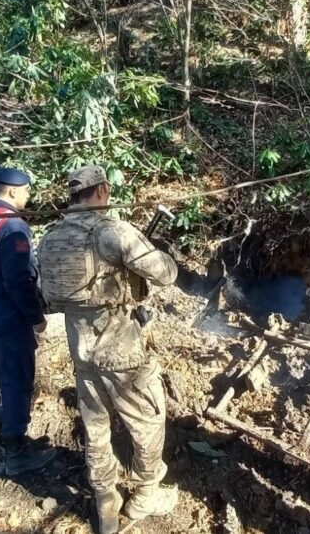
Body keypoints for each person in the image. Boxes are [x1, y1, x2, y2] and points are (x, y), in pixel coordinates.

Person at [37, 165, 179, 534]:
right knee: (148, 420)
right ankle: (146, 496)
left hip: (80, 348)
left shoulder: (51, 238)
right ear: (101, 190)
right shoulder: (112, 231)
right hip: (121, 350)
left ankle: (106, 504)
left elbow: (50, 297)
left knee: (96, 426)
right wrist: (158, 255)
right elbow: (164, 274)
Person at [0, 166, 57, 475]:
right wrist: (36, 318)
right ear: (13, 191)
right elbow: (19, 279)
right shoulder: (13, 227)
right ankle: (16, 453)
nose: (28, 196)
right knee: (17, 379)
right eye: (27, 191)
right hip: (9, 311)